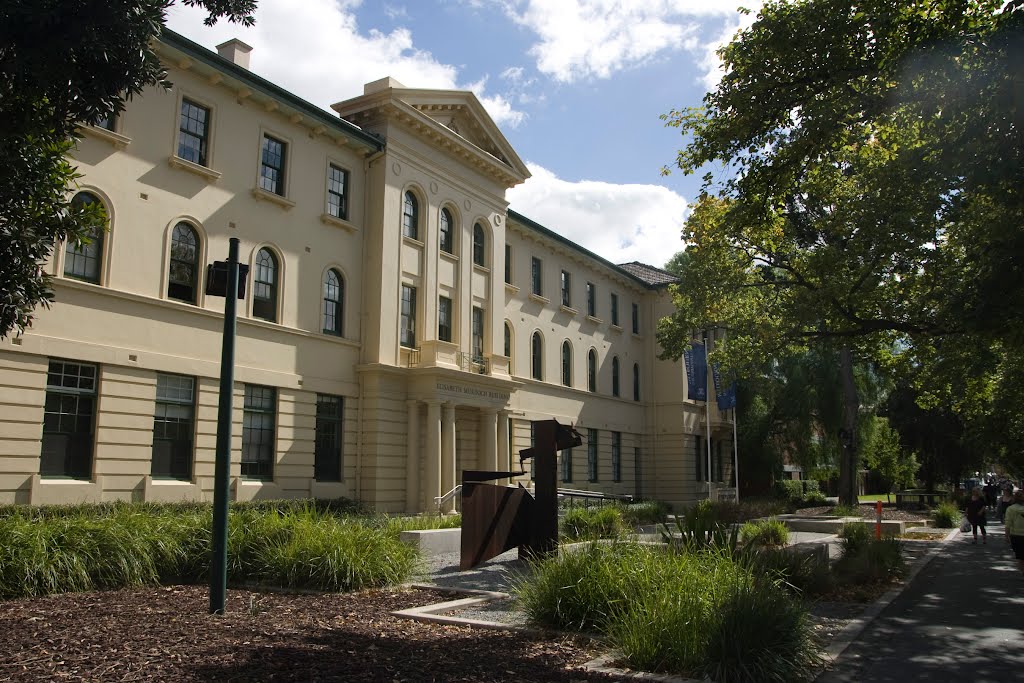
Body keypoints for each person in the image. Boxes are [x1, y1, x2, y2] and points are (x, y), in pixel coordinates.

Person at [1003, 490, 1024, 576]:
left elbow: (1008, 523)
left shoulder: (1010, 509)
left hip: (1016, 535)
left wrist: (1006, 536)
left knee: (1020, 556)